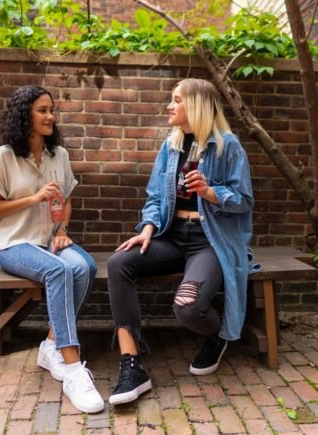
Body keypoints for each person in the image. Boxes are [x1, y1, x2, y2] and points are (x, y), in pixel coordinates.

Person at [106, 78, 254, 405]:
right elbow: (156, 197)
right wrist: (146, 227)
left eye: (177, 99)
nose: (169, 106)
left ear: (197, 105)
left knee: (187, 308)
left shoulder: (228, 146)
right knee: (119, 263)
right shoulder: (170, 146)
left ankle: (217, 334)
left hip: (210, 241)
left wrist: (211, 192)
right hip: (172, 237)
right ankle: (131, 363)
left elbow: (244, 201)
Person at [0, 85, 103, 413]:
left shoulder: (58, 155)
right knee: (60, 269)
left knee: (85, 266)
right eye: (42, 110)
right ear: (26, 115)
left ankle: (50, 344)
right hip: (13, 243)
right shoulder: (4, 156)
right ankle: (73, 366)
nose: (51, 116)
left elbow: (67, 200)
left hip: (50, 240)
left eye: (52, 110)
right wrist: (34, 198)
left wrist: (62, 229)